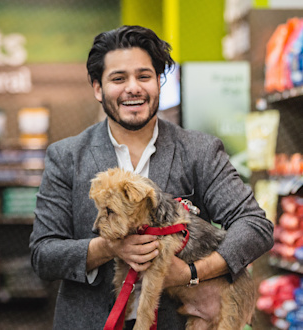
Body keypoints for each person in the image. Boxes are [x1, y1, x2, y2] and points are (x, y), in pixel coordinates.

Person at [29, 25, 274, 330]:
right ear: (97, 88)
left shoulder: (199, 151)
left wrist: (191, 272)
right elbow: (43, 254)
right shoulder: (66, 156)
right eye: (118, 78)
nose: (133, 88)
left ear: (159, 81)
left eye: (144, 76)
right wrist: (108, 247)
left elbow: (255, 226)